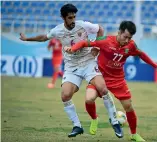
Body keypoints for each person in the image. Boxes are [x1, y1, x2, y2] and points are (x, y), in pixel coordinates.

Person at [19, 3, 123, 138]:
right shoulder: (58, 30)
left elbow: (100, 29)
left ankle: (114, 122)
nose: (73, 20)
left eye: (74, 17)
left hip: (88, 62)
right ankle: (77, 126)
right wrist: (27, 38)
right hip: (71, 67)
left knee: (103, 89)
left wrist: (97, 46)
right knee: (65, 95)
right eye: (70, 18)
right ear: (63, 18)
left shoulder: (83, 25)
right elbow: (44, 37)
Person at [66, 21, 157, 141]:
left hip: (118, 80)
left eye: (130, 38)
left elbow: (141, 54)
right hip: (99, 77)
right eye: (125, 37)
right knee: (89, 99)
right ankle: (94, 119)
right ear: (119, 32)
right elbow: (84, 42)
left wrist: (155, 66)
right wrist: (72, 49)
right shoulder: (105, 41)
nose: (127, 40)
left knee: (128, 106)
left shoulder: (131, 45)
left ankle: (134, 135)